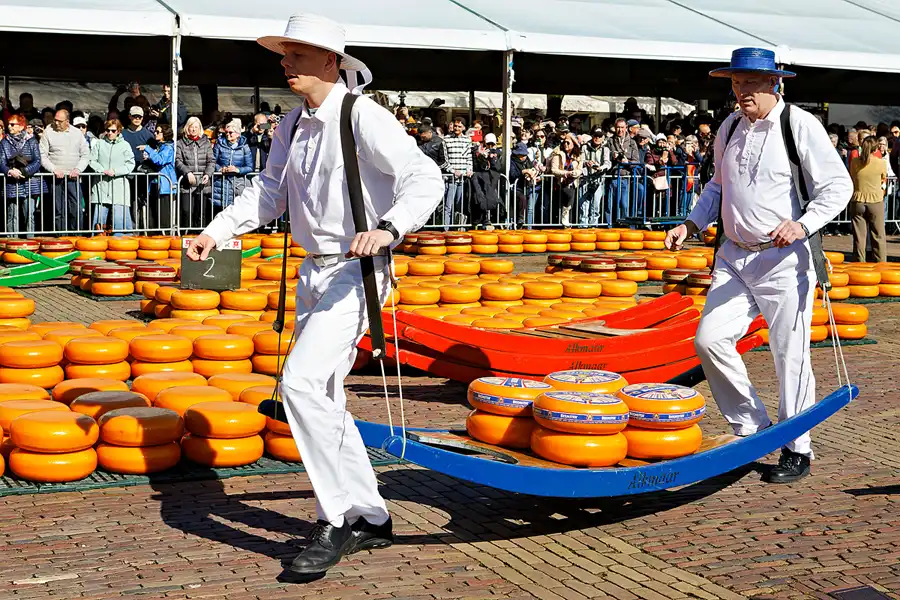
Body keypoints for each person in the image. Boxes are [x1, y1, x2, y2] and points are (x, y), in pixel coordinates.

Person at [184, 13, 442, 574]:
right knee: (324, 397)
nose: (285, 64)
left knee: (298, 384)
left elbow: (424, 178)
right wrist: (216, 231)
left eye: (295, 55)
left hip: (358, 269)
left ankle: (338, 517)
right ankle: (371, 515)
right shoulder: (292, 123)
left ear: (330, 61)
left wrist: (390, 227)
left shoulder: (362, 116)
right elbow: (269, 192)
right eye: (283, 55)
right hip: (313, 272)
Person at [665, 48, 852, 483]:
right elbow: (717, 186)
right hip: (733, 256)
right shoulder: (729, 127)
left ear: (774, 83)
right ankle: (753, 429)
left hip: (784, 260)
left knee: (790, 355)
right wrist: (691, 223)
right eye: (736, 82)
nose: (743, 91)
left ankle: (797, 448)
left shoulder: (799, 124)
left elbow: (837, 186)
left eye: (751, 82)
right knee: (709, 339)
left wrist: (802, 226)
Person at [39, 108, 89, 232]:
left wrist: (78, 169)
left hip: (73, 177)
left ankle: (76, 235)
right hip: (56, 178)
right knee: (57, 209)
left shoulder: (77, 133)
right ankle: (60, 236)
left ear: (67, 121)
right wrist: (53, 169)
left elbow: (86, 154)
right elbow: (42, 155)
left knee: (75, 208)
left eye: (59, 121)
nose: (56, 123)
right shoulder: (48, 132)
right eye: (55, 120)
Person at [88, 119, 135, 233]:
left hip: (119, 188)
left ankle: (122, 243)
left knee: (120, 221)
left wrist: (115, 171)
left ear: (118, 131)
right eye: (107, 130)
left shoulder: (125, 145)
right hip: (101, 187)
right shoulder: (99, 143)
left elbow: (130, 164)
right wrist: (102, 170)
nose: (110, 133)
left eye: (113, 131)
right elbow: (91, 160)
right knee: (98, 223)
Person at [0, 114, 45, 235]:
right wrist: (10, 171)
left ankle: (30, 242)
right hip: (12, 183)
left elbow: (37, 161)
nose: (9, 126)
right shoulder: (4, 142)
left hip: (30, 183)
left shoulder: (31, 141)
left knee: (29, 215)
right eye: (9, 124)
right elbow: (1, 161)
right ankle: (12, 242)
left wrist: (25, 171)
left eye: (12, 124)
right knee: (12, 215)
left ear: (21, 126)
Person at [848, 136, 887, 263]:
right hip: (875, 200)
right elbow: (883, 178)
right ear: (876, 148)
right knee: (878, 236)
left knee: (859, 237)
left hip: (858, 200)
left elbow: (852, 177)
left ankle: (859, 265)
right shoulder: (881, 163)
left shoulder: (855, 162)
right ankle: (881, 265)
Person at [175, 117, 215, 230]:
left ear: (200, 129)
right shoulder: (180, 143)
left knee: (201, 214)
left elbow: (211, 160)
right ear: (187, 128)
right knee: (187, 212)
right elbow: (178, 161)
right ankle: (186, 236)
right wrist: (187, 173)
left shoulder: (206, 143)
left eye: (196, 127)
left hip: (203, 185)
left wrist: (208, 173)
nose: (193, 129)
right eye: (191, 126)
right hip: (187, 185)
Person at [142, 124, 177, 230]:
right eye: (155, 131)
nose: (155, 133)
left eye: (158, 132)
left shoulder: (168, 147)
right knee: (153, 213)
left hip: (165, 185)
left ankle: (165, 236)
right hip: (155, 183)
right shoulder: (159, 146)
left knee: (163, 215)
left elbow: (160, 160)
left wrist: (148, 149)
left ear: (164, 134)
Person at [212, 118, 252, 212]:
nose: (228, 134)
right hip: (221, 184)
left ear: (238, 134)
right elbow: (212, 161)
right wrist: (220, 169)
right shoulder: (219, 144)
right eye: (226, 132)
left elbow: (250, 167)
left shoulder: (244, 147)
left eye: (231, 132)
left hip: (237, 185)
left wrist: (237, 170)